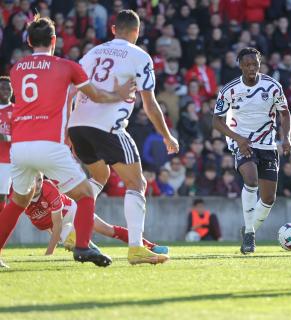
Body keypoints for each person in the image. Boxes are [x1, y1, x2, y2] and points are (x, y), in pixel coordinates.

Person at [0, 15, 134, 267]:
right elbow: (95, 95)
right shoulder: (67, 66)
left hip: (19, 146)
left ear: (29, 41)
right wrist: (120, 93)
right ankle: (82, 246)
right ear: (54, 40)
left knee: (18, 201)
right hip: (49, 144)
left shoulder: (16, 68)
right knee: (85, 194)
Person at [68, 10, 179, 265]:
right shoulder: (140, 56)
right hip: (107, 128)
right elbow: (150, 104)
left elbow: (72, 89)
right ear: (136, 32)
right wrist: (167, 135)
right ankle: (136, 248)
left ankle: (76, 233)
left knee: (99, 177)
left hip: (78, 125)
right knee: (137, 183)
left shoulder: (93, 52)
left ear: (113, 29)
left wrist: (67, 128)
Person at [212, 47, 291, 254]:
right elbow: (216, 121)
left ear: (260, 64)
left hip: (267, 143)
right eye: (247, 64)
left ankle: (249, 229)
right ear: (240, 65)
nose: (251, 68)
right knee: (251, 180)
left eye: (255, 64)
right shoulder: (229, 90)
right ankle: (249, 235)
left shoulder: (273, 86)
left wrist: (286, 138)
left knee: (268, 198)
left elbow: (285, 114)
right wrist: (238, 139)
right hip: (243, 142)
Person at [24, 175, 169, 256]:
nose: (37, 184)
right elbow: (50, 227)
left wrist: (49, 254)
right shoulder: (19, 195)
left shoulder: (49, 189)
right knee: (74, 243)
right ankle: (96, 254)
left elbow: (57, 224)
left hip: (72, 212)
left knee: (108, 230)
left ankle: (151, 247)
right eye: (33, 180)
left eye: (39, 180)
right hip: (59, 224)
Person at [0, 77, 13, 215]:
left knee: (1, 195)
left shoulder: (16, 110)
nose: (6, 91)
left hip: (5, 161)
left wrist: (5, 137)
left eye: (9, 88)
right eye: (2, 88)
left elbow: (22, 136)